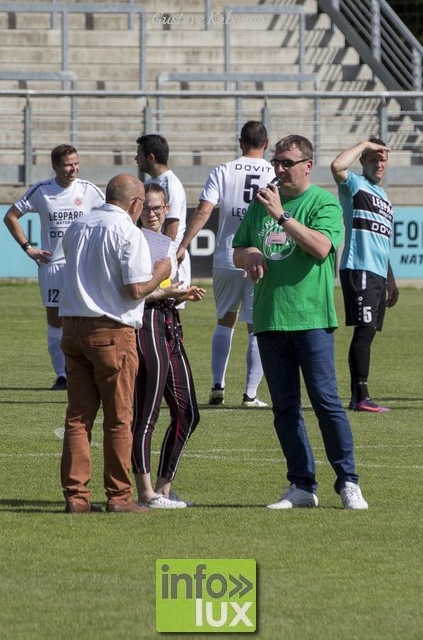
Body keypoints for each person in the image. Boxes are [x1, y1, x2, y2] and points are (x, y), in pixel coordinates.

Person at [232, 134, 368, 510]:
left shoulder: (322, 202)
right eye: (276, 162)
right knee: (285, 408)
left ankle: (348, 481)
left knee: (326, 402)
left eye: (287, 163)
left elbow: (321, 248)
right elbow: (237, 249)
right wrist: (250, 252)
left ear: (307, 165)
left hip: (311, 318)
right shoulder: (261, 202)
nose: (279, 169)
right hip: (270, 318)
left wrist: (282, 215)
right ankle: (302, 486)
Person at [58, 174, 172, 514]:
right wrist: (161, 271)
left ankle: (76, 497)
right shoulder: (127, 231)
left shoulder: (78, 226)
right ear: (135, 203)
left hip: (73, 328)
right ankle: (120, 497)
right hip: (112, 331)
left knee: (78, 418)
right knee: (119, 419)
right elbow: (135, 289)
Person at [177, 121, 272, 409]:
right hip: (261, 258)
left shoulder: (223, 170)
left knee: (225, 321)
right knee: (257, 327)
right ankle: (250, 395)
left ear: (240, 142)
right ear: (266, 144)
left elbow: (204, 211)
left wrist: (183, 245)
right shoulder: (273, 172)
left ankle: (217, 385)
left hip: (227, 256)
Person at [3, 144, 105, 390]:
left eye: (76, 163)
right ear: (55, 167)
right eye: (68, 165)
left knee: (89, 317)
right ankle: (62, 375)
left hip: (82, 267)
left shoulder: (88, 189)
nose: (74, 169)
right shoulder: (42, 190)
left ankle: (89, 371)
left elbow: (112, 215)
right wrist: (28, 248)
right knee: (56, 321)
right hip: (53, 267)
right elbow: (10, 216)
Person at [132, 183, 207, 509]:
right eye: (146, 208)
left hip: (169, 323)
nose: (152, 214)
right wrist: (167, 293)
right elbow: (133, 293)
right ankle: (145, 493)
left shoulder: (168, 243)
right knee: (146, 414)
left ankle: (164, 489)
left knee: (188, 413)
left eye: (158, 208)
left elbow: (162, 289)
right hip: (146, 325)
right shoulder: (134, 241)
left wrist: (181, 294)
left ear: (167, 210)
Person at [330, 137, 398, 413]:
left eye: (383, 160)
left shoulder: (384, 197)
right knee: (364, 331)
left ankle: (359, 397)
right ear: (363, 161)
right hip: (359, 268)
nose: (379, 164)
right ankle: (361, 397)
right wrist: (363, 144)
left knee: (368, 333)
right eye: (373, 159)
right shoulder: (355, 185)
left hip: (378, 273)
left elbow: (382, 241)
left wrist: (391, 279)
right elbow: (337, 166)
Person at [136, 134, 190, 292]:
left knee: (170, 304)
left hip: (169, 257)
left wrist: (161, 260)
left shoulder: (171, 184)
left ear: (150, 157)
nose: (136, 158)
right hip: (153, 257)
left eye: (139, 154)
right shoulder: (149, 183)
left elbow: (172, 228)